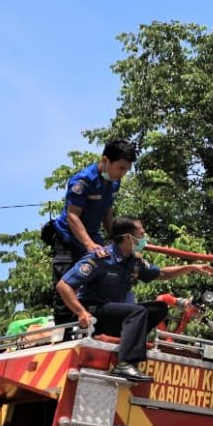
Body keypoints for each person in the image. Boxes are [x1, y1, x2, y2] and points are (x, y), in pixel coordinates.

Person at [56, 216, 213, 381]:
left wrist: (191, 267)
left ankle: (128, 342)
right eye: (141, 234)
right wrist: (80, 312)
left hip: (115, 314)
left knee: (159, 308)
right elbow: (63, 285)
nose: (144, 238)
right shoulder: (100, 258)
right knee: (137, 311)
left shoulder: (134, 261)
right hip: (95, 313)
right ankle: (125, 363)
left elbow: (161, 273)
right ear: (127, 237)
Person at [48, 139, 137, 324]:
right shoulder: (83, 181)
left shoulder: (113, 183)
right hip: (68, 239)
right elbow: (72, 216)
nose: (123, 173)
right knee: (66, 286)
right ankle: (63, 331)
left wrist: (117, 239)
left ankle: (96, 324)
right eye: (121, 168)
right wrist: (89, 244)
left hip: (93, 237)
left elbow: (107, 211)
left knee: (103, 279)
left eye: (127, 170)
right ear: (105, 160)